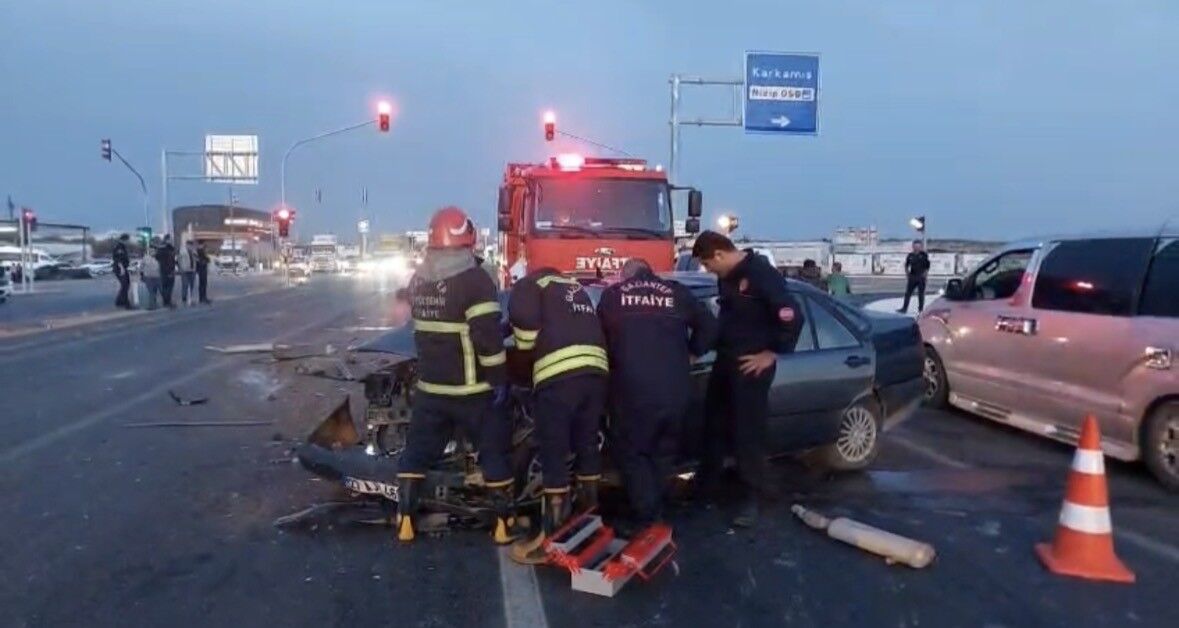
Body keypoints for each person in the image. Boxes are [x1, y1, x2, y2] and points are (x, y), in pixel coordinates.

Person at [395, 207, 514, 545]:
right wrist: (499, 378)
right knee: (493, 450)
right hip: (472, 390)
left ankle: (405, 520)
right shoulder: (475, 280)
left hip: (431, 389)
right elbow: (487, 338)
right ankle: (503, 525)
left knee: (417, 452)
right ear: (468, 238)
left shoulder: (418, 280)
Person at [692, 230, 803, 528]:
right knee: (713, 427)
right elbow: (726, 320)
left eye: (708, 265)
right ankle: (705, 491)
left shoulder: (761, 274)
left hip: (752, 365)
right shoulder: (728, 278)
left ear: (719, 255)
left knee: (747, 434)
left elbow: (791, 316)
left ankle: (753, 497)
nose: (708, 270)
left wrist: (772, 353)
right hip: (726, 361)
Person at [597, 259, 716, 531]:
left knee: (633, 452)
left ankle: (647, 519)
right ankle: (654, 509)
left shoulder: (614, 296)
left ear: (625, 276)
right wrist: (692, 352)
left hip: (632, 388)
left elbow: (598, 338)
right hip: (675, 388)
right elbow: (710, 326)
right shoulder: (677, 292)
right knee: (663, 450)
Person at [508, 266, 609, 564]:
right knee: (587, 445)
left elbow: (525, 330)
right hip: (596, 374)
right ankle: (588, 521)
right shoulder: (573, 288)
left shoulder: (529, 284)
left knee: (553, 451)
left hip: (559, 378)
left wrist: (523, 349)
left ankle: (551, 538)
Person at [899, 240, 931, 313]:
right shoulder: (910, 255)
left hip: (921, 277)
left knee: (921, 294)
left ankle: (920, 309)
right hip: (912, 276)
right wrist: (907, 274)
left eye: (918, 246)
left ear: (921, 247)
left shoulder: (924, 255)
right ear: (913, 247)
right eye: (915, 246)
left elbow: (927, 266)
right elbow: (906, 265)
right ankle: (904, 308)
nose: (917, 248)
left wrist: (925, 275)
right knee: (908, 293)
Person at [112, 233, 133, 309]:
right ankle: (126, 304)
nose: (128, 242)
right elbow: (118, 259)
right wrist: (122, 268)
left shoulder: (122, 247)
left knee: (126, 285)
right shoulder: (119, 247)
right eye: (128, 240)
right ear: (124, 240)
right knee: (125, 285)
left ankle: (119, 301)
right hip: (120, 268)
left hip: (123, 268)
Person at [156, 234, 177, 309]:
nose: (171, 240)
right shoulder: (165, 249)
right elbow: (166, 261)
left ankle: (167, 301)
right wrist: (169, 271)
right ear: (167, 240)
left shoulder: (169, 248)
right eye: (170, 239)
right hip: (166, 270)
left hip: (168, 270)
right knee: (167, 287)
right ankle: (167, 302)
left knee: (167, 287)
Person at [140, 240, 162, 310]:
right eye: (150, 250)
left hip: (158, 277)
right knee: (151, 292)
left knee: (160, 291)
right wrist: (142, 275)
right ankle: (152, 305)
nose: (151, 252)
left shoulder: (159, 258)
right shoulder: (145, 258)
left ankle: (164, 302)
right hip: (148, 277)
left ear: (156, 251)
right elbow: (141, 267)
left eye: (153, 250)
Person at [177, 240, 198, 306]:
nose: (190, 247)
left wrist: (195, 255)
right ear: (186, 245)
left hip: (192, 270)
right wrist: (180, 267)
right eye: (189, 245)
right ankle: (184, 299)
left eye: (191, 245)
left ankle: (190, 298)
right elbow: (178, 260)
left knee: (192, 285)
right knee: (185, 285)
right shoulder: (182, 251)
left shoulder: (194, 252)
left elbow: (196, 259)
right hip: (185, 270)